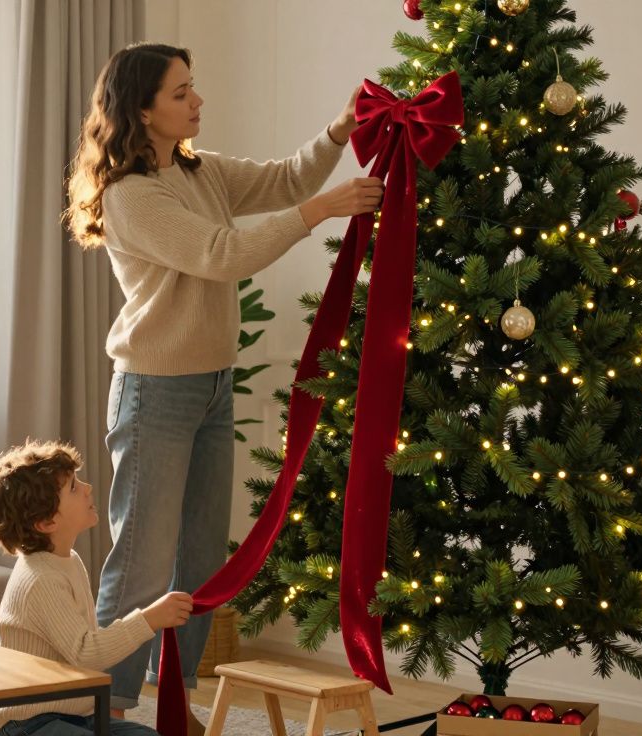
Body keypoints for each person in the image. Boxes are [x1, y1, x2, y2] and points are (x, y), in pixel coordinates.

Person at [64, 42, 380, 724]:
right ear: (142, 110)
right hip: (155, 393)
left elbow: (283, 179)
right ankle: (107, 709)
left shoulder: (198, 172)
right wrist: (323, 210)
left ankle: (173, 697)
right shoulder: (130, 196)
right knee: (142, 564)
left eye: (193, 89)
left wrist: (338, 130)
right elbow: (221, 254)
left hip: (211, 385)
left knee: (202, 562)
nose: (197, 101)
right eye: (181, 93)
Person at [0, 440, 194, 736]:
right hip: (21, 723)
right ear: (46, 521)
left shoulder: (68, 561)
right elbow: (86, 652)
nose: (88, 487)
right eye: (74, 487)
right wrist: (150, 618)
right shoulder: (40, 579)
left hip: (72, 714)